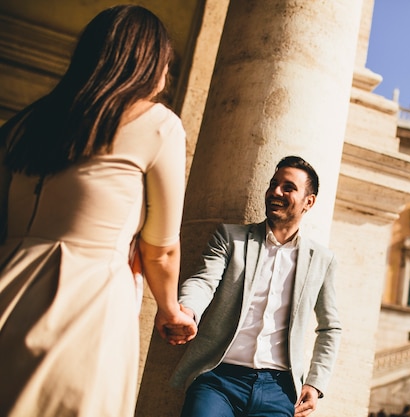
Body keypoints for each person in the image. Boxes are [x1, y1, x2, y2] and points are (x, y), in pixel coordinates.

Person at [0, 5, 197, 417]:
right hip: (87, 307)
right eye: (166, 61)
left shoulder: (23, 124)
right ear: (146, 60)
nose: (166, 75)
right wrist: (169, 310)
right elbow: (160, 249)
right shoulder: (159, 124)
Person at [170, 156, 342, 417]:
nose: (276, 192)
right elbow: (204, 281)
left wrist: (316, 382)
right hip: (218, 378)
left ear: (309, 201)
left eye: (288, 187)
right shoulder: (231, 238)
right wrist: (187, 310)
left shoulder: (322, 260)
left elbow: (331, 327)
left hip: (278, 389)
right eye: (273, 184)